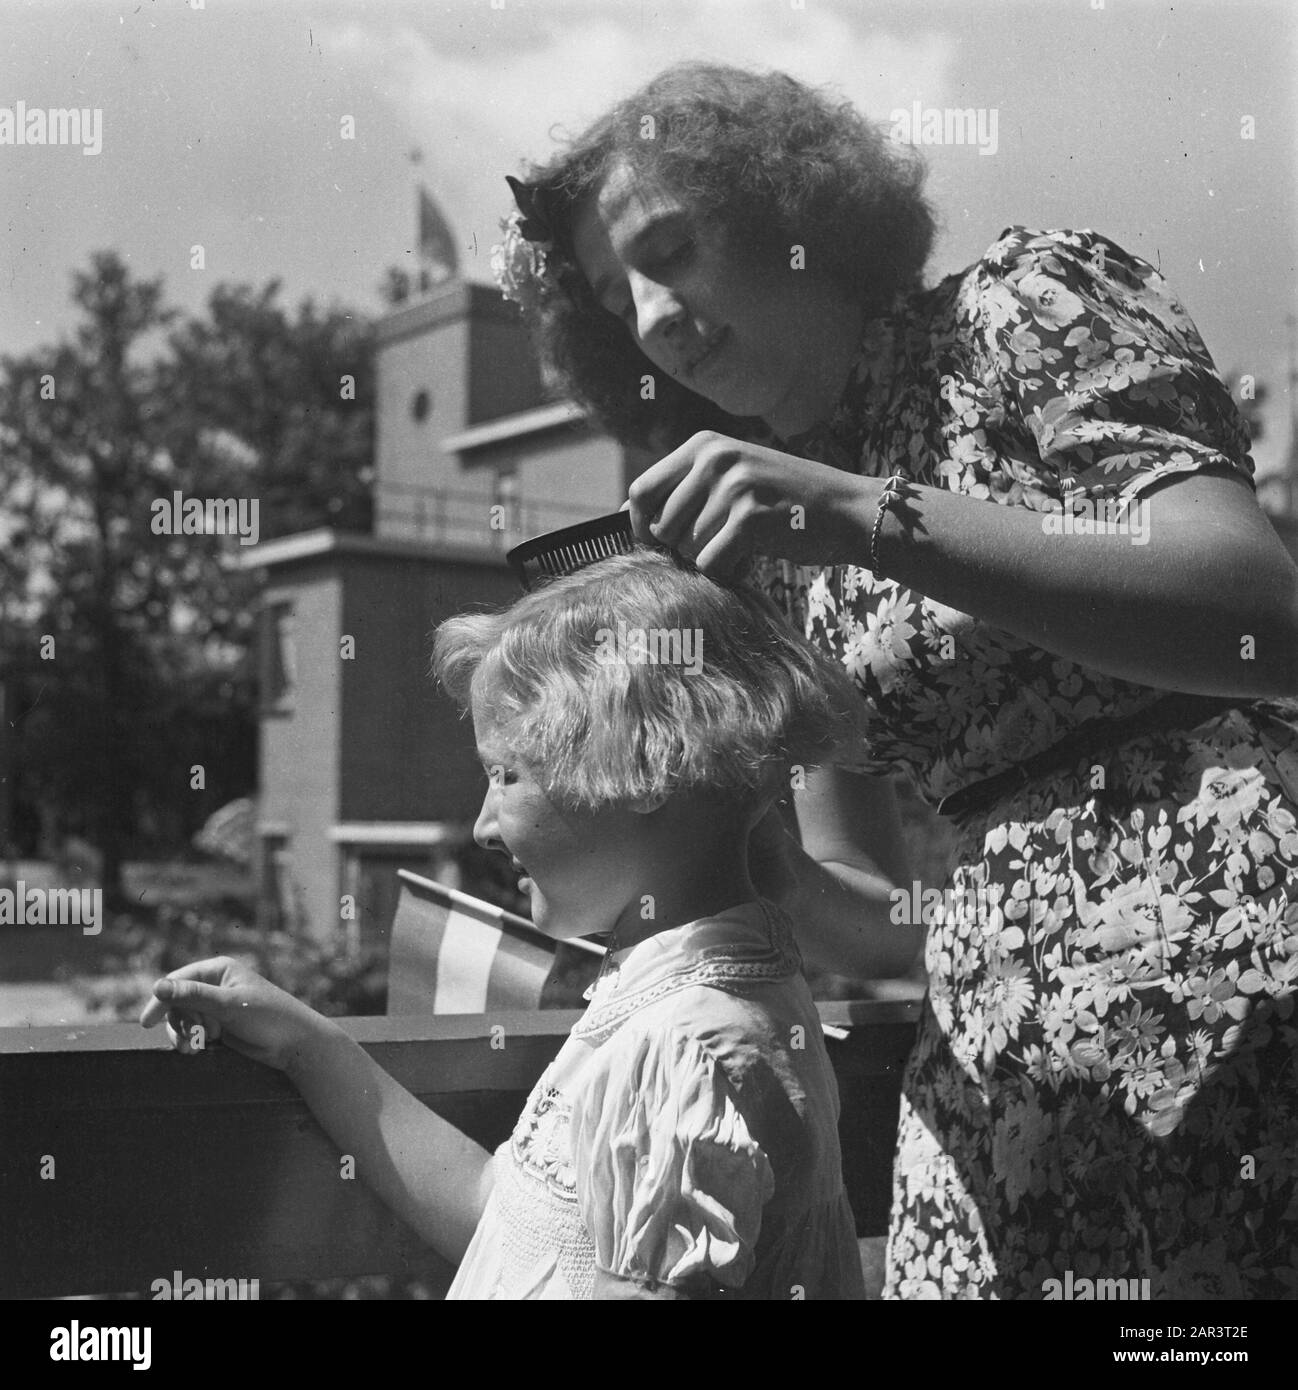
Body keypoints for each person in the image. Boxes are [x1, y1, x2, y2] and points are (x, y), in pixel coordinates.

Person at [491, 61, 1298, 1299]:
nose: (653, 315)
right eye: (616, 299)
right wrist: (753, 860)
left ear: (788, 215)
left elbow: (1254, 612)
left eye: (672, 249)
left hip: (1228, 985)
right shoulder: (775, 534)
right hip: (997, 1065)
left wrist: (864, 515)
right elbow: (868, 901)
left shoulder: (1024, 305)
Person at [141, 549, 886, 1300]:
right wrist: (310, 1045)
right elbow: (509, 1221)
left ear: (648, 767)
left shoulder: (683, 1053)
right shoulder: (684, 1002)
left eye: (507, 775)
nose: (482, 826)